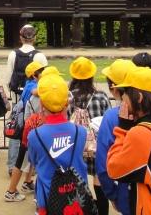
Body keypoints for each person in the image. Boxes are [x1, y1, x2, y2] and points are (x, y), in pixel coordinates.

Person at [107, 67, 151, 215]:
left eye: (126, 92)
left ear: (138, 97)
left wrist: (122, 129)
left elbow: (113, 169)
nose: (123, 97)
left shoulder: (140, 133)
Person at [27, 73, 90, 215]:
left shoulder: (34, 136)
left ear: (42, 104)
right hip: (77, 199)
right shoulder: (80, 132)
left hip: (48, 200)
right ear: (67, 103)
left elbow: (33, 161)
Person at [68, 56, 112, 215]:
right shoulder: (101, 96)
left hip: (75, 146)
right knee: (99, 180)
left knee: (77, 181)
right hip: (97, 146)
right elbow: (108, 120)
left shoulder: (69, 97)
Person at [5, 24, 48, 173]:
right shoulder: (40, 56)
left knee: (17, 130)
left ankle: (12, 165)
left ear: (20, 37)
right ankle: (31, 166)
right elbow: (45, 78)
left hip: (18, 98)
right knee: (34, 130)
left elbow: (9, 78)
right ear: (34, 37)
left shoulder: (13, 54)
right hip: (35, 99)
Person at [96, 59, 135, 215]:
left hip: (126, 190)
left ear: (113, 89)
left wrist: (112, 194)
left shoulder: (112, 117)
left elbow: (103, 165)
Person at [4, 60, 45, 202]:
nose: (44, 73)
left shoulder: (30, 84)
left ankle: (27, 182)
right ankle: (11, 191)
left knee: (31, 159)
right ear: (34, 75)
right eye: (42, 71)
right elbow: (36, 92)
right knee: (21, 161)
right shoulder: (32, 87)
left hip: (30, 128)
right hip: (29, 130)